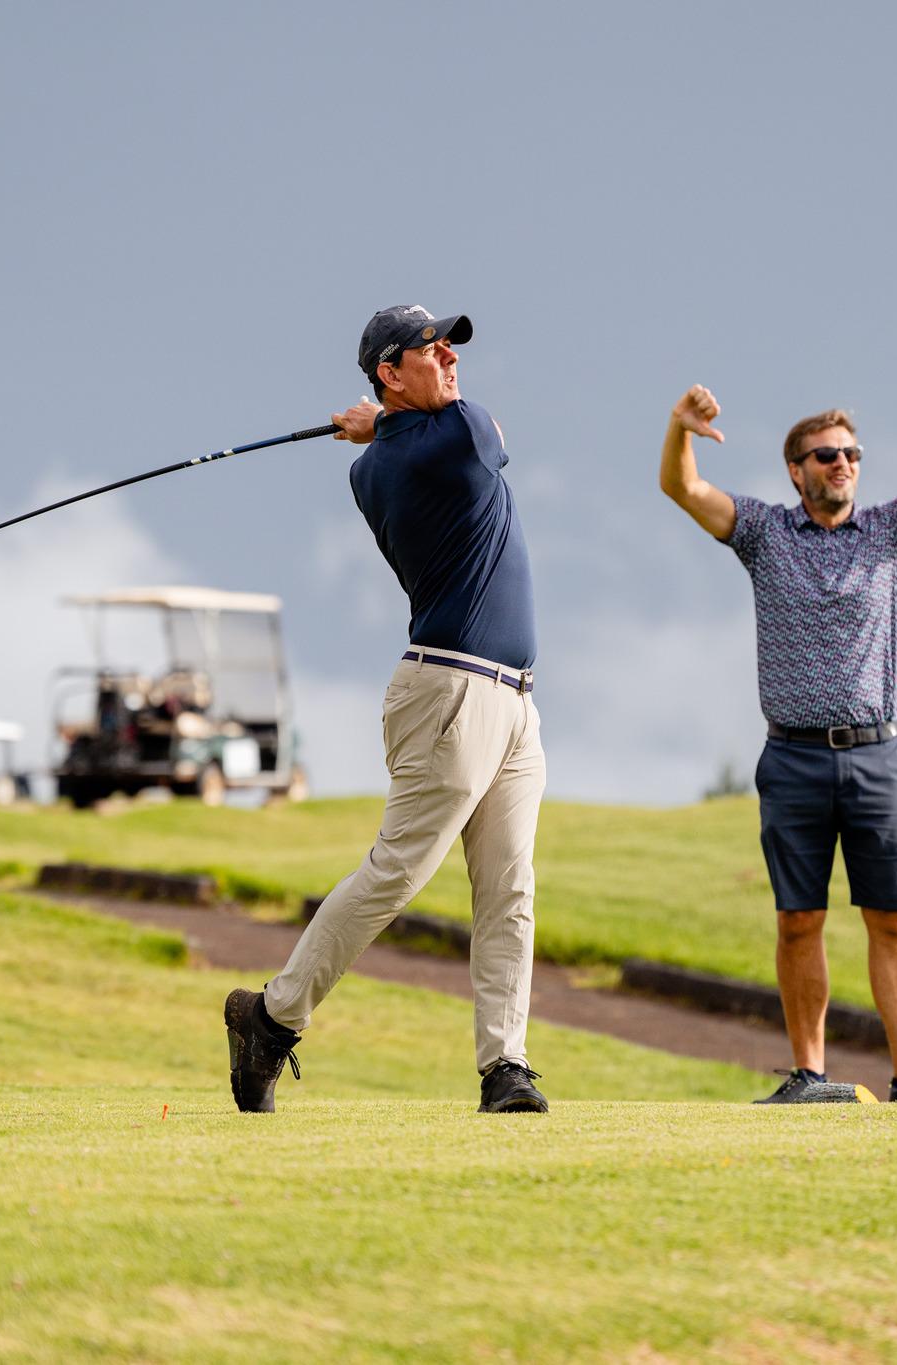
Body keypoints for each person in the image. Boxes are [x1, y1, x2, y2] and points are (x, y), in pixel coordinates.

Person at [223, 306, 550, 1115]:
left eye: (452, 347)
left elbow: (403, 434)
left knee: (509, 889)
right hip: (450, 693)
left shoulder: (379, 459)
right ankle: (271, 1018)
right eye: (430, 349)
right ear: (388, 373)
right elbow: (489, 429)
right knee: (396, 872)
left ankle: (505, 1066)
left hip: (513, 700)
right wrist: (383, 426)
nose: (451, 357)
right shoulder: (451, 439)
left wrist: (381, 424)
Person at [658, 385, 897, 1103]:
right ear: (796, 469)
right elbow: (683, 488)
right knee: (797, 921)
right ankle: (808, 1074)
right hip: (793, 757)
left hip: (878, 755)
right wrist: (680, 429)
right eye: (826, 455)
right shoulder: (763, 531)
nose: (842, 464)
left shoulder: (896, 526)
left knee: (893, 921)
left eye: (851, 454)